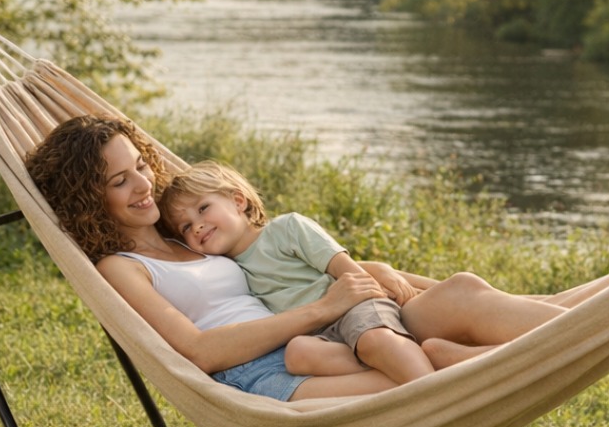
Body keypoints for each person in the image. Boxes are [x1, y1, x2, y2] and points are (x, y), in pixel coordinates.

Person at [26, 115, 575, 403]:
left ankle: (579, 320)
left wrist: (374, 275)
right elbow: (195, 350)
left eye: (140, 167)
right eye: (121, 182)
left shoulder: (181, 229)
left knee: (461, 289)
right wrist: (322, 310)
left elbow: (269, 258)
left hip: (328, 330)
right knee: (425, 378)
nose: (145, 184)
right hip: (275, 366)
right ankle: (570, 340)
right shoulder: (121, 267)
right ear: (89, 198)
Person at [158, 161, 436, 384]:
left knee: (373, 338)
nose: (196, 226)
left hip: (351, 307)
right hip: (319, 333)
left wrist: (377, 275)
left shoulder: (286, 229)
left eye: (203, 209)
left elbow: (343, 268)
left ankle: (432, 392)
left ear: (238, 201)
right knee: (297, 355)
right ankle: (430, 359)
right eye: (185, 227)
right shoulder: (229, 272)